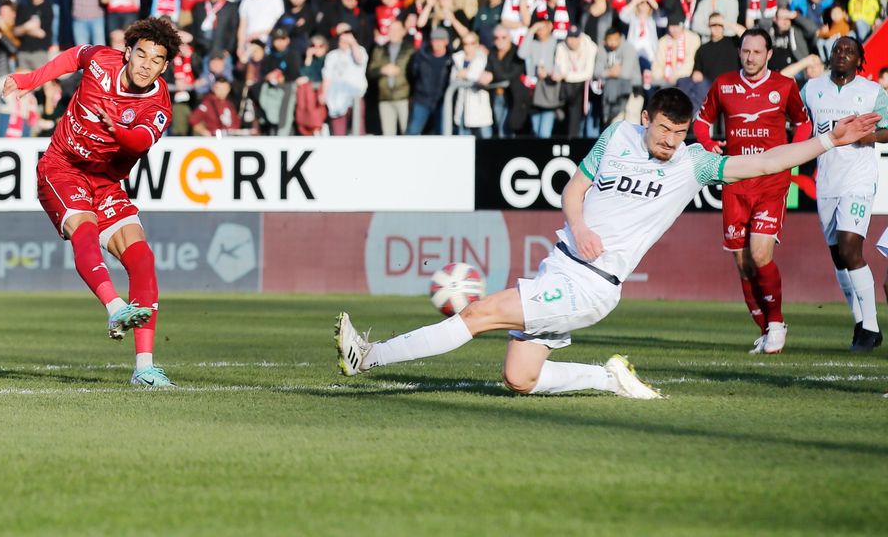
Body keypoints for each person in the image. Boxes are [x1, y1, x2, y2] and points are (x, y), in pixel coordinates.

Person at [336, 88, 880, 396]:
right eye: (663, 130)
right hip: (563, 263)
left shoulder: (694, 163)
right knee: (519, 378)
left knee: (478, 312)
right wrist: (580, 226)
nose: (671, 141)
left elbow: (764, 161)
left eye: (679, 133)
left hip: (592, 285)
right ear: (644, 120)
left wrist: (829, 139)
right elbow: (573, 191)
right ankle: (608, 377)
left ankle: (369, 357)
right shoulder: (616, 136)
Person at [2, 18, 181, 387]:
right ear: (127, 53)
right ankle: (115, 308)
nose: (146, 65)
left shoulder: (158, 103)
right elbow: (73, 57)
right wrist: (28, 80)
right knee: (84, 230)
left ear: (165, 66)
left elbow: (140, 143)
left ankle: (144, 369)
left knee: (142, 258)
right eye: (141, 54)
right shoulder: (102, 60)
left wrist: (118, 129)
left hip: (107, 183)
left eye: (156, 60)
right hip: (62, 167)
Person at [692, 29, 811, 353]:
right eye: (746, 51)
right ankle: (766, 327)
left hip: (771, 180)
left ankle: (775, 324)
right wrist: (707, 144)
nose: (750, 57)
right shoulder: (724, 84)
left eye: (757, 52)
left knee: (760, 253)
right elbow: (701, 122)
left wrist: (792, 153)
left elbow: (803, 123)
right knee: (743, 262)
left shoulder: (784, 86)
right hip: (735, 181)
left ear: (769, 54)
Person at [802, 36, 888, 352]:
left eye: (849, 51)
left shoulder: (872, 92)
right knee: (839, 257)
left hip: (859, 179)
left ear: (858, 60)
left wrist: (871, 137)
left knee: (851, 248)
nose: (842, 54)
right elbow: (799, 123)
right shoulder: (812, 88)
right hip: (826, 180)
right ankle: (859, 323)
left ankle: (871, 328)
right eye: (838, 49)